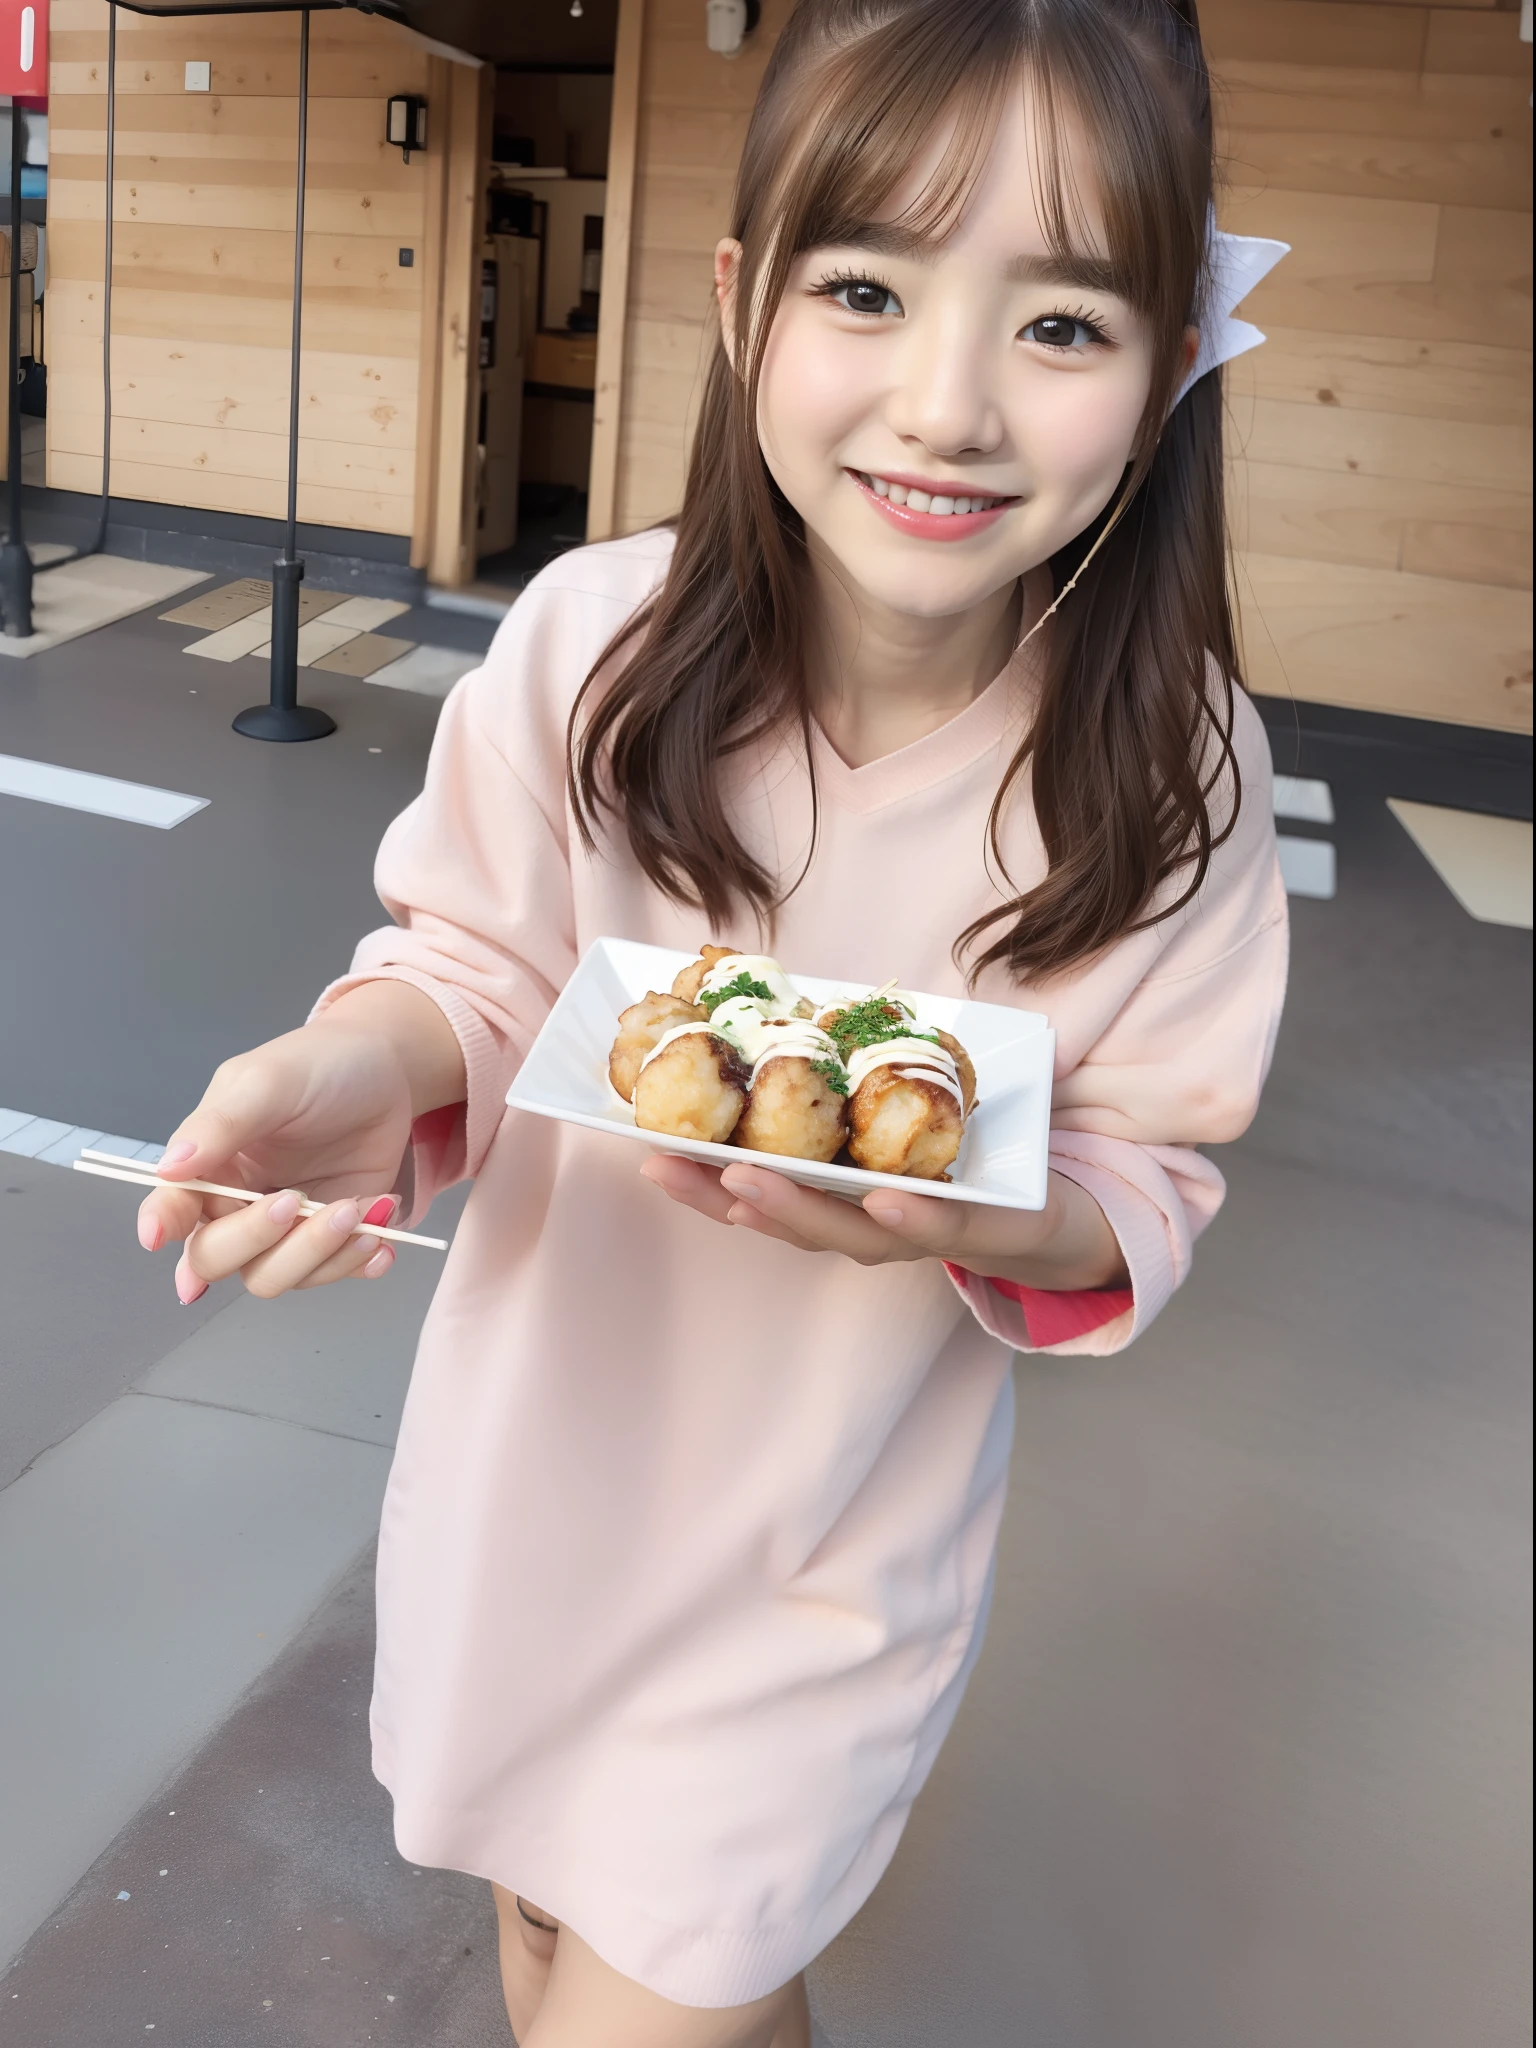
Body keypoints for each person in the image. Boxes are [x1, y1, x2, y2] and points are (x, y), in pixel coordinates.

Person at [136, 1, 1289, 2041]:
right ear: (747, 303)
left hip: (823, 1572)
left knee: (669, 1986)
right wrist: (362, 1060)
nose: (948, 406)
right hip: (526, 1499)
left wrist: (985, 1217)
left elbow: (1145, 1164)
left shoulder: (1167, 764)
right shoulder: (594, 639)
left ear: (1173, 362)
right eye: (869, 287)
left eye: (1062, 324)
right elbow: (483, 968)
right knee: (555, 1950)